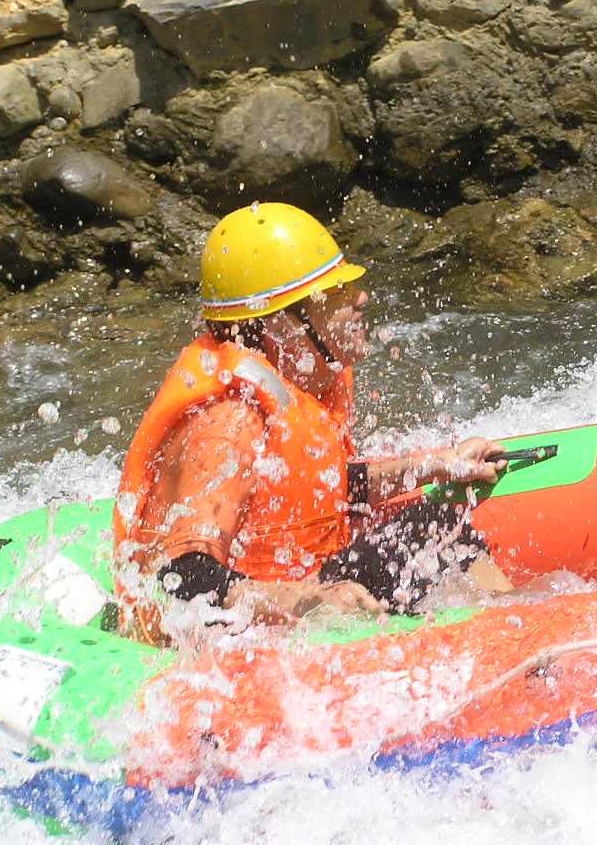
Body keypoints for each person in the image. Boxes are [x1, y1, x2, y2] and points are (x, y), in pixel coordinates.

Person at [112, 201, 519, 645]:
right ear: (280, 323)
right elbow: (185, 577)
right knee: (431, 527)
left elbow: (319, 488)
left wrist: (437, 465)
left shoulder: (292, 388)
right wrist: (310, 600)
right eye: (334, 293)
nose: (359, 297)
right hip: (235, 634)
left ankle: (514, 630)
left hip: (291, 586)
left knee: (434, 522)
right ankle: (520, 641)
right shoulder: (229, 424)